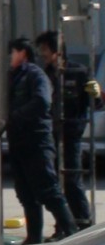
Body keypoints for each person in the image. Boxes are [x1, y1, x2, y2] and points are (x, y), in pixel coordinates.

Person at [7, 37, 79, 244]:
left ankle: (71, 234)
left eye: (12, 52)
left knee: (48, 190)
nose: (9, 57)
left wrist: (15, 116)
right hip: (18, 141)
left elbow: (42, 101)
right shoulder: (13, 76)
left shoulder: (35, 75)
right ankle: (33, 238)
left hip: (36, 140)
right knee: (26, 193)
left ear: (22, 53)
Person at [35, 30, 101, 232]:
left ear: (56, 50)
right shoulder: (44, 74)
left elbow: (96, 105)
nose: (42, 54)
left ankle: (83, 223)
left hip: (71, 135)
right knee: (54, 183)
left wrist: (96, 95)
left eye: (45, 49)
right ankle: (63, 227)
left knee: (72, 181)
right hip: (50, 135)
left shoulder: (79, 72)